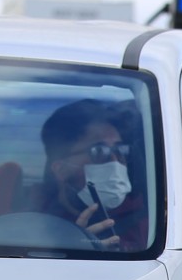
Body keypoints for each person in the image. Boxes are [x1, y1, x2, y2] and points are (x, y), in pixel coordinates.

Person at [39, 98, 148, 251]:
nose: (114, 162)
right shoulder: (33, 225)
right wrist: (71, 249)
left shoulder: (152, 227)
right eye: (99, 151)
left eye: (120, 150)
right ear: (61, 169)